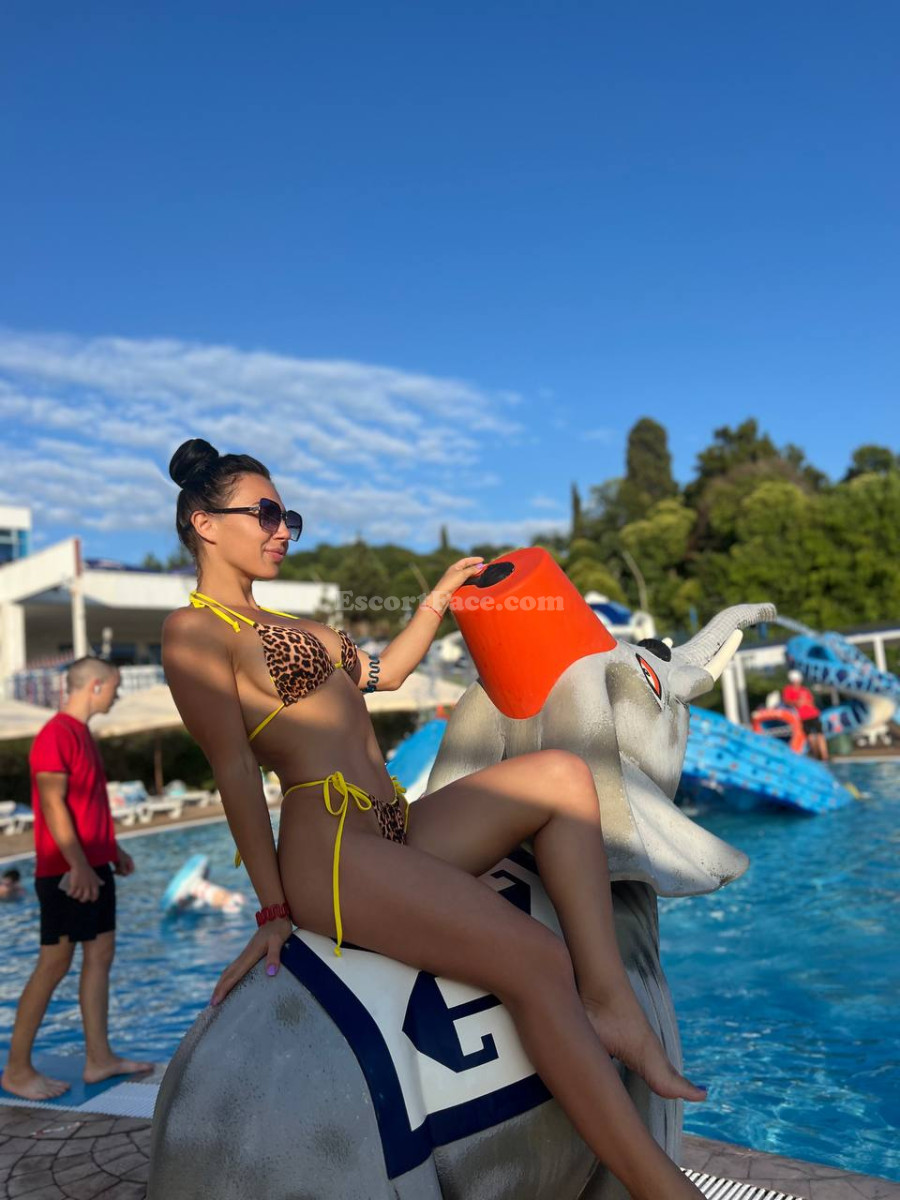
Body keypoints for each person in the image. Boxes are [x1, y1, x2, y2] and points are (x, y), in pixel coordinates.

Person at [161, 437, 708, 1200]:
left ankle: (610, 999)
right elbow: (234, 773)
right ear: (205, 523)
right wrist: (273, 910)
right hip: (334, 853)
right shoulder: (194, 633)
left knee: (562, 777)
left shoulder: (297, 625)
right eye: (267, 514)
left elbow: (387, 672)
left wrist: (440, 597)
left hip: (396, 824)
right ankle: (661, 1187)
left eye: (289, 517)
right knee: (532, 957)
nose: (284, 530)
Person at [1, 658, 153, 1102]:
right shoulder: (56, 734)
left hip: (91, 865)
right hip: (65, 871)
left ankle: (99, 1057)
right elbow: (53, 804)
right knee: (55, 963)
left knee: (100, 954)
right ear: (97, 686)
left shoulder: (83, 734)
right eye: (116, 688)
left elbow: (87, 807)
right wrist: (79, 865)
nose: (118, 696)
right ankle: (16, 1069)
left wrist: (111, 851)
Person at [783, 668, 829, 761]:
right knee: (811, 737)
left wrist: (803, 702)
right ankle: (818, 756)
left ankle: (824, 756)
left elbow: (810, 702)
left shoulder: (804, 690)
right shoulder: (789, 690)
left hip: (813, 714)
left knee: (820, 735)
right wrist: (797, 702)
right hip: (803, 717)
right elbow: (787, 701)